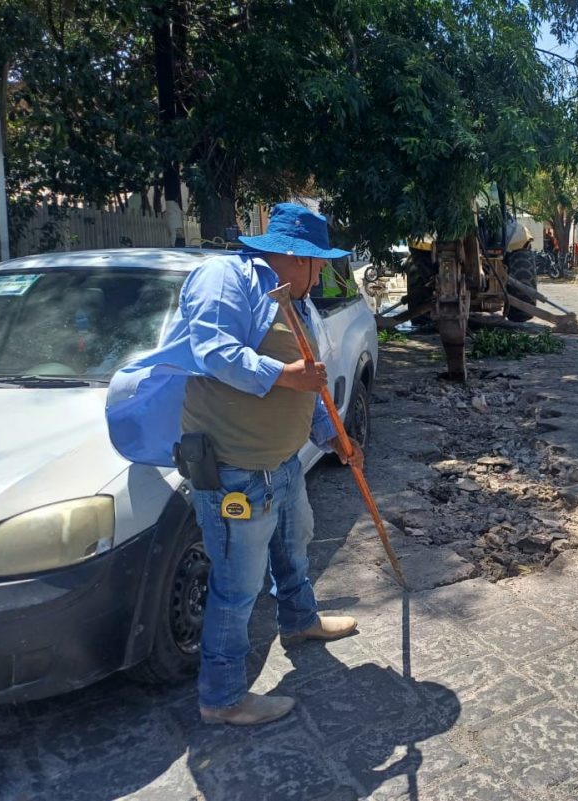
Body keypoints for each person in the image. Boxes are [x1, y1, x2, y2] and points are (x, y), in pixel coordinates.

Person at [106, 203, 363, 726]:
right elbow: (214, 351)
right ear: (297, 257)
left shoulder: (296, 302)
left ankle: (300, 620)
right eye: (319, 264)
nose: (321, 276)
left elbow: (309, 381)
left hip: (284, 464)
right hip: (235, 474)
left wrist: (330, 436)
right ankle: (222, 699)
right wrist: (285, 375)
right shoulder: (227, 279)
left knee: (294, 549)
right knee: (236, 587)